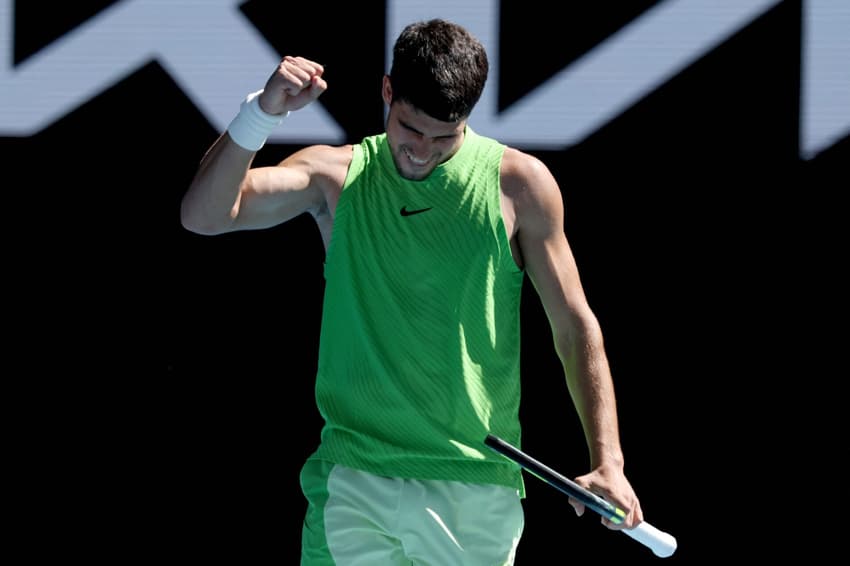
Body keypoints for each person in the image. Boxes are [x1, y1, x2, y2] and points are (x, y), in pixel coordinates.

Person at [181, 18, 643, 566]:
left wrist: (608, 459)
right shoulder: (336, 175)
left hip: (474, 490)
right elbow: (205, 217)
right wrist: (261, 113)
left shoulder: (519, 185)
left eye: (443, 137)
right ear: (387, 92)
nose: (421, 152)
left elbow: (574, 326)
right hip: (353, 480)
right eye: (409, 129)